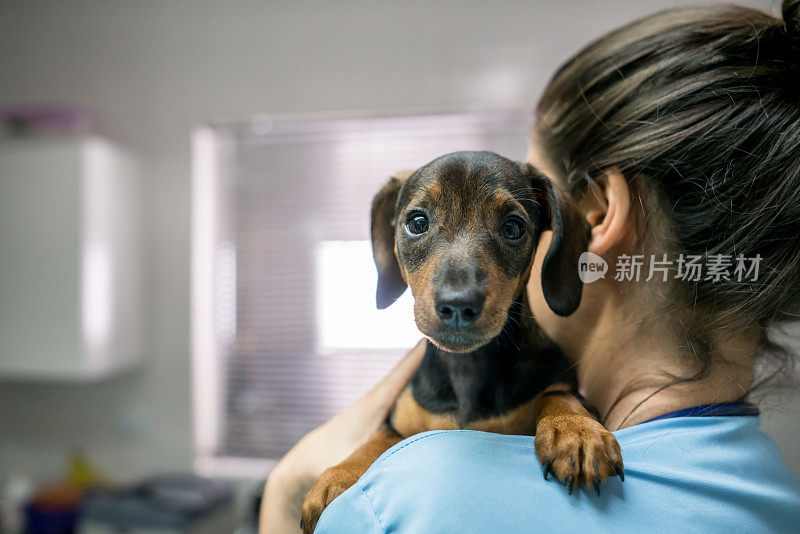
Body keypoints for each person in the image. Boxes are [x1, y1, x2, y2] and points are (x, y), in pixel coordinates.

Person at [260, 2, 800, 532]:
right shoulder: (782, 493)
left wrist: (286, 487)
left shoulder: (399, 500)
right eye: (421, 223)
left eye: (515, 227)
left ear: (594, 216)